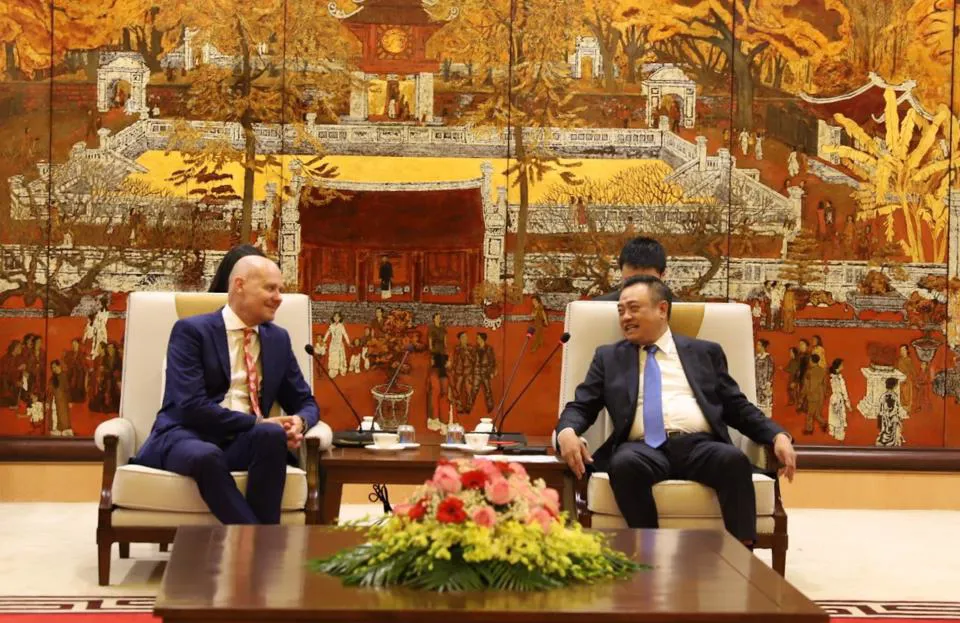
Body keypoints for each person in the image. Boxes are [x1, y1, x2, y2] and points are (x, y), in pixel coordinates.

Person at [556, 275, 797, 547]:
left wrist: (777, 435)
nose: (625, 317)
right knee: (623, 464)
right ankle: (650, 552)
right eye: (621, 311)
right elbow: (582, 405)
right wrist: (566, 431)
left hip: (700, 446)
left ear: (662, 309)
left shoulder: (704, 353)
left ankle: (741, 555)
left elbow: (737, 407)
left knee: (733, 460)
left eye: (634, 308)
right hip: (641, 448)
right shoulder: (609, 357)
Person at [132, 255, 319, 524]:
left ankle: (257, 542)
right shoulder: (191, 331)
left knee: (271, 435)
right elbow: (190, 406)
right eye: (270, 288)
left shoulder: (277, 338)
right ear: (239, 285)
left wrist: (299, 422)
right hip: (186, 435)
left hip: (242, 441)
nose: (279, 298)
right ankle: (264, 542)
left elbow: (306, 401)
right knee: (207, 455)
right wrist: (257, 423)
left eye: (280, 289)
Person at [594, 237, 668, 301]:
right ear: (621, 273)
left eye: (647, 283)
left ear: (662, 276)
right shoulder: (597, 307)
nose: (638, 290)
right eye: (630, 282)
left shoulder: (674, 308)